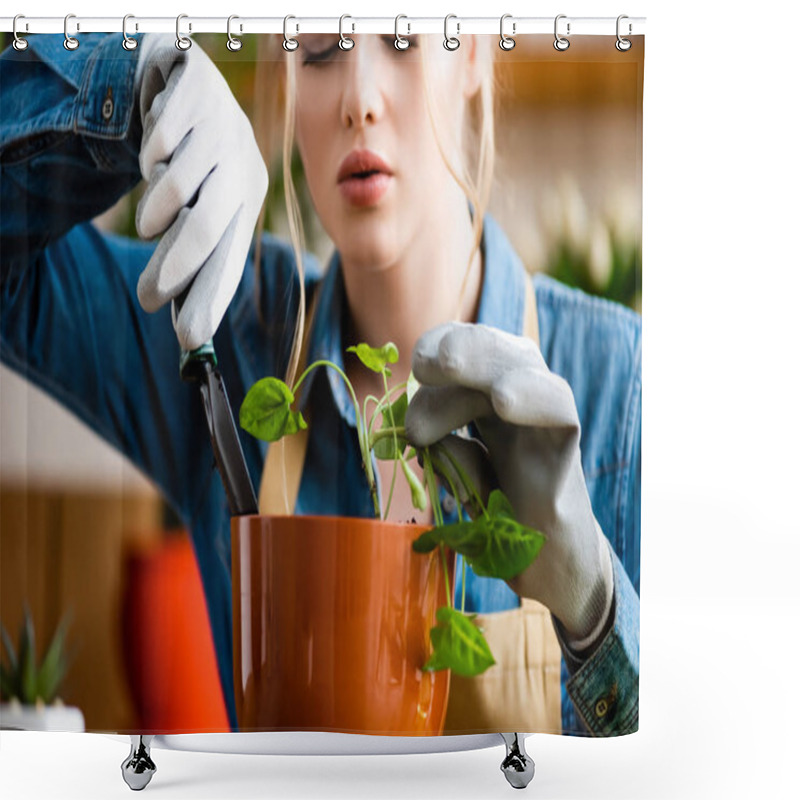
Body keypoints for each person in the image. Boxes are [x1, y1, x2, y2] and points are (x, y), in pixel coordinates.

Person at [0, 31, 640, 737]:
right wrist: (130, 81)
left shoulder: (624, 382)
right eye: (320, 50)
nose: (359, 101)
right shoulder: (224, 331)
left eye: (401, 37)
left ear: (476, 57)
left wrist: (599, 615)